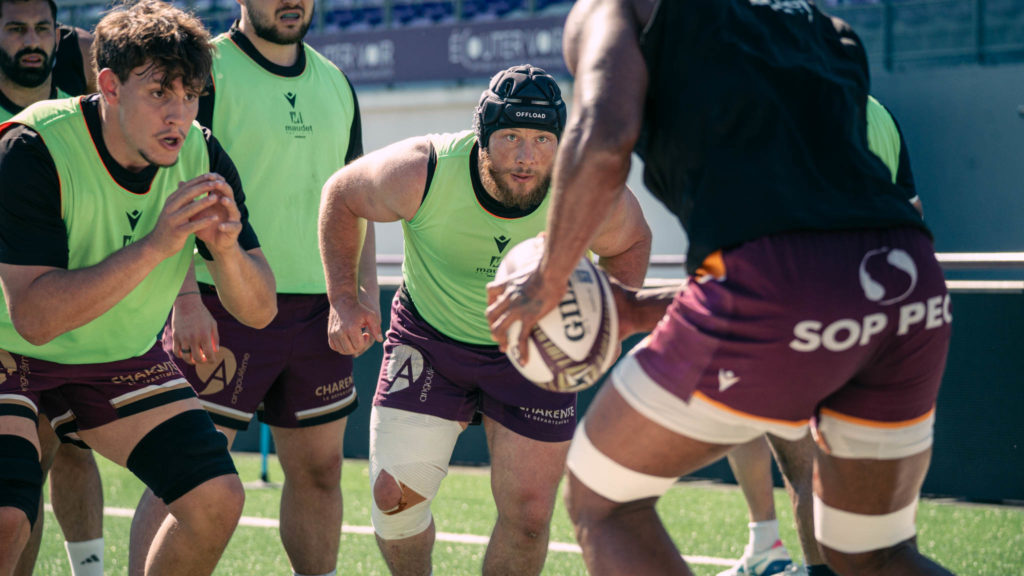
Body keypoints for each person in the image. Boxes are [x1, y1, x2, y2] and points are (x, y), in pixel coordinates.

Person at [486, 2, 953, 575]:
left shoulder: (617, 9)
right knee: (876, 553)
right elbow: (822, 228)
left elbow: (604, 137)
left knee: (604, 501)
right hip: (909, 281)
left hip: (775, 283)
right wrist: (635, 309)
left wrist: (549, 278)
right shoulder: (818, 23)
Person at [319, 64, 652, 576]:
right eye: (511, 136)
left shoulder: (586, 189)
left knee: (531, 518)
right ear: (481, 136)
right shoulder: (423, 170)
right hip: (430, 341)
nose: (526, 156)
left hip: (533, 352)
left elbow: (631, 241)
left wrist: (603, 322)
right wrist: (345, 298)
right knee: (394, 500)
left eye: (543, 138)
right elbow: (341, 195)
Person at [0, 2, 278, 575]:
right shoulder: (32, 147)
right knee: (7, 520)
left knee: (216, 499)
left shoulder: (201, 152)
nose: (179, 115)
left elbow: (258, 310)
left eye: (192, 94)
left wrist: (225, 252)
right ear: (109, 85)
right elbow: (33, 317)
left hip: (113, 355)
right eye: (160, 94)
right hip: (9, 349)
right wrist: (157, 243)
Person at [127, 0, 372, 574]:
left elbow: (355, 202)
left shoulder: (335, 81)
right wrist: (184, 298)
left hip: (318, 313)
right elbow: (168, 181)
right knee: (185, 476)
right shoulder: (203, 67)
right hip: (220, 301)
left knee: (320, 471)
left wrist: (358, 296)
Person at [717, 94, 923, 576]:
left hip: (801, 308)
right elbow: (912, 214)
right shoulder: (878, 111)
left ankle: (782, 551)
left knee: (806, 463)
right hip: (878, 309)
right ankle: (767, 545)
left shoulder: (770, 106)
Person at [0, 2, 105, 574]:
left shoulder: (76, 110)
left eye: (42, 29)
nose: (31, 42)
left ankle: (90, 569)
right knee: (25, 467)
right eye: (15, 29)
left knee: (71, 449)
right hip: (9, 325)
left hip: (77, 314)